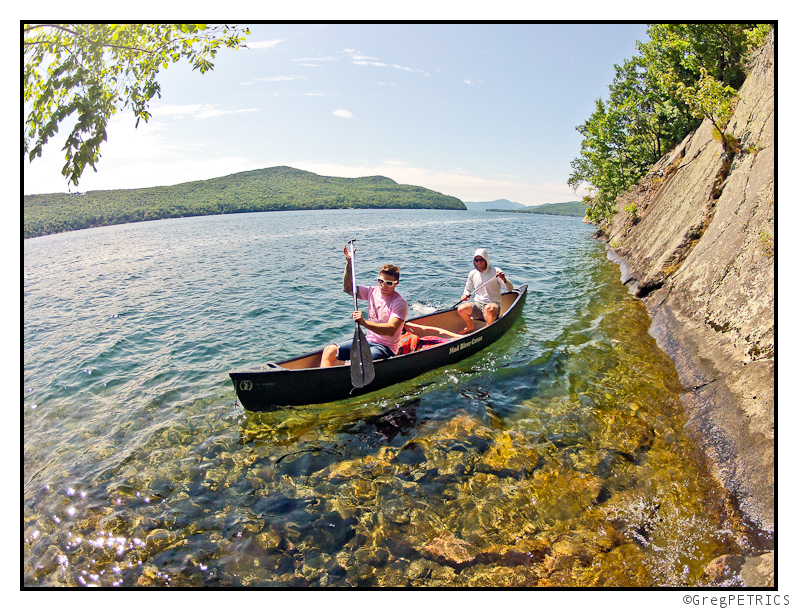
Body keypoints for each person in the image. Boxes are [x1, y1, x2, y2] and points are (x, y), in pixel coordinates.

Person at [320, 244, 408, 367]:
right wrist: (350, 263)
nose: (383, 285)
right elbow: (348, 288)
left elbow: (391, 330)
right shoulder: (371, 291)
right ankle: (324, 381)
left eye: (388, 283)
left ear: (396, 284)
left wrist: (364, 322)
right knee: (329, 351)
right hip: (367, 341)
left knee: (359, 361)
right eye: (380, 281)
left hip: (385, 348)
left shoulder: (400, 303)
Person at [457, 248, 513, 333]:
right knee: (461, 308)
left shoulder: (496, 271)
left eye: (482, 260)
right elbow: (467, 289)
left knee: (489, 308)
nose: (479, 262)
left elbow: (510, 288)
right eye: (477, 260)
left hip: (493, 306)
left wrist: (504, 279)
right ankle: (470, 325)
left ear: (486, 260)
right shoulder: (473, 273)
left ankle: (488, 328)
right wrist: (465, 295)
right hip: (479, 305)